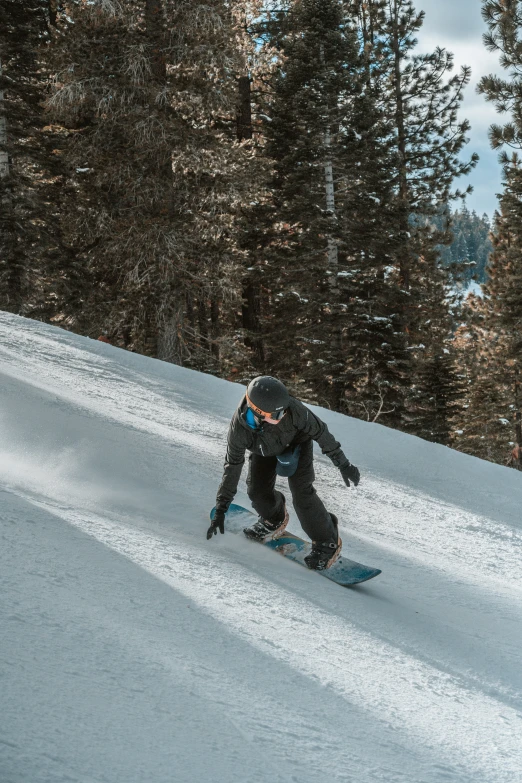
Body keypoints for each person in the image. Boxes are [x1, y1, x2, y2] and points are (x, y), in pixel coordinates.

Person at [207, 376, 360, 570]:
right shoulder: (240, 430)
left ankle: (327, 540)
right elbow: (233, 464)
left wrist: (343, 464)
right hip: (263, 449)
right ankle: (274, 517)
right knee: (256, 491)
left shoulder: (293, 410)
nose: (283, 415)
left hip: (296, 444)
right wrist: (222, 507)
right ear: (258, 413)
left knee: (302, 493)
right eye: (277, 415)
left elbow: (321, 432)